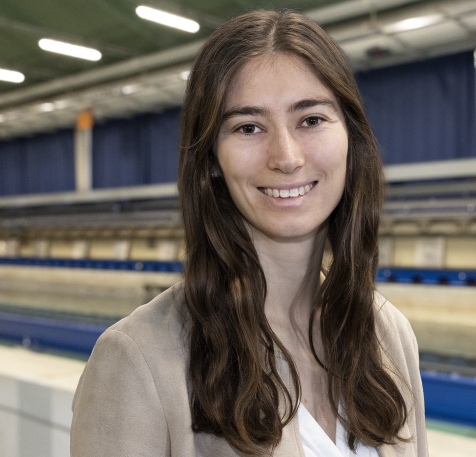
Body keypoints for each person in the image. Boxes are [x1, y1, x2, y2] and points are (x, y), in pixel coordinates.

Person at [70, 9, 428, 457]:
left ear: (351, 139)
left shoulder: (387, 336)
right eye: (248, 127)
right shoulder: (140, 359)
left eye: (311, 119)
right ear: (212, 163)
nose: (286, 156)